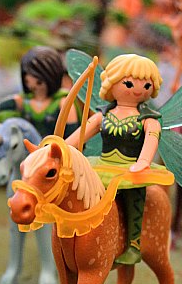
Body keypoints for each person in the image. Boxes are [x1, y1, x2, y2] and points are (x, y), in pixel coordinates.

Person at [65, 54, 165, 265]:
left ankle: (133, 244)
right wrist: (62, 147)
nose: (138, 90)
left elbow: (151, 139)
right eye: (129, 84)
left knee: (134, 195)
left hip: (130, 169)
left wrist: (143, 161)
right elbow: (79, 136)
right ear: (112, 83)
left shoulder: (148, 120)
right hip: (103, 166)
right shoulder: (102, 115)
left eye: (147, 85)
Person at [0, 46, 80, 137]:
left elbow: (73, 134)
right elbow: (13, 102)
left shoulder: (63, 103)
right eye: (27, 80)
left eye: (39, 81)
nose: (32, 84)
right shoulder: (25, 101)